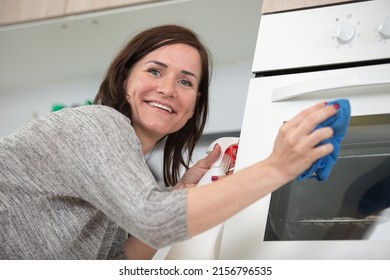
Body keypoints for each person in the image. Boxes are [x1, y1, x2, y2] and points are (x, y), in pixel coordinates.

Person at [0, 24, 338, 260]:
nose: (168, 89)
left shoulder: (131, 176)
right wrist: (278, 166)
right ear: (124, 79)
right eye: (154, 71)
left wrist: (180, 196)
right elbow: (155, 220)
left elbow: (118, 264)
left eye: (186, 82)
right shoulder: (95, 124)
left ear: (194, 105)